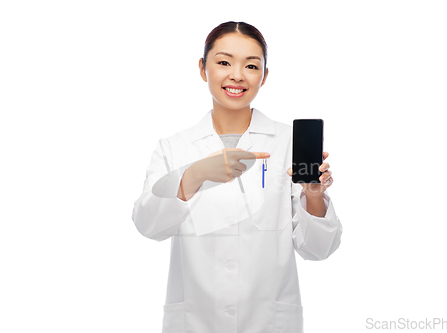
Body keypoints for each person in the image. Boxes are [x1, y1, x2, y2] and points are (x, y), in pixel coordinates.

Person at [132, 21, 343, 333]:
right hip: (195, 322)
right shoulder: (174, 147)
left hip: (269, 322)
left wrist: (313, 196)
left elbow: (317, 249)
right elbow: (148, 226)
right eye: (224, 62)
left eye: (252, 66)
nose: (237, 75)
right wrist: (193, 176)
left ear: (264, 76)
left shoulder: (287, 142)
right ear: (203, 69)